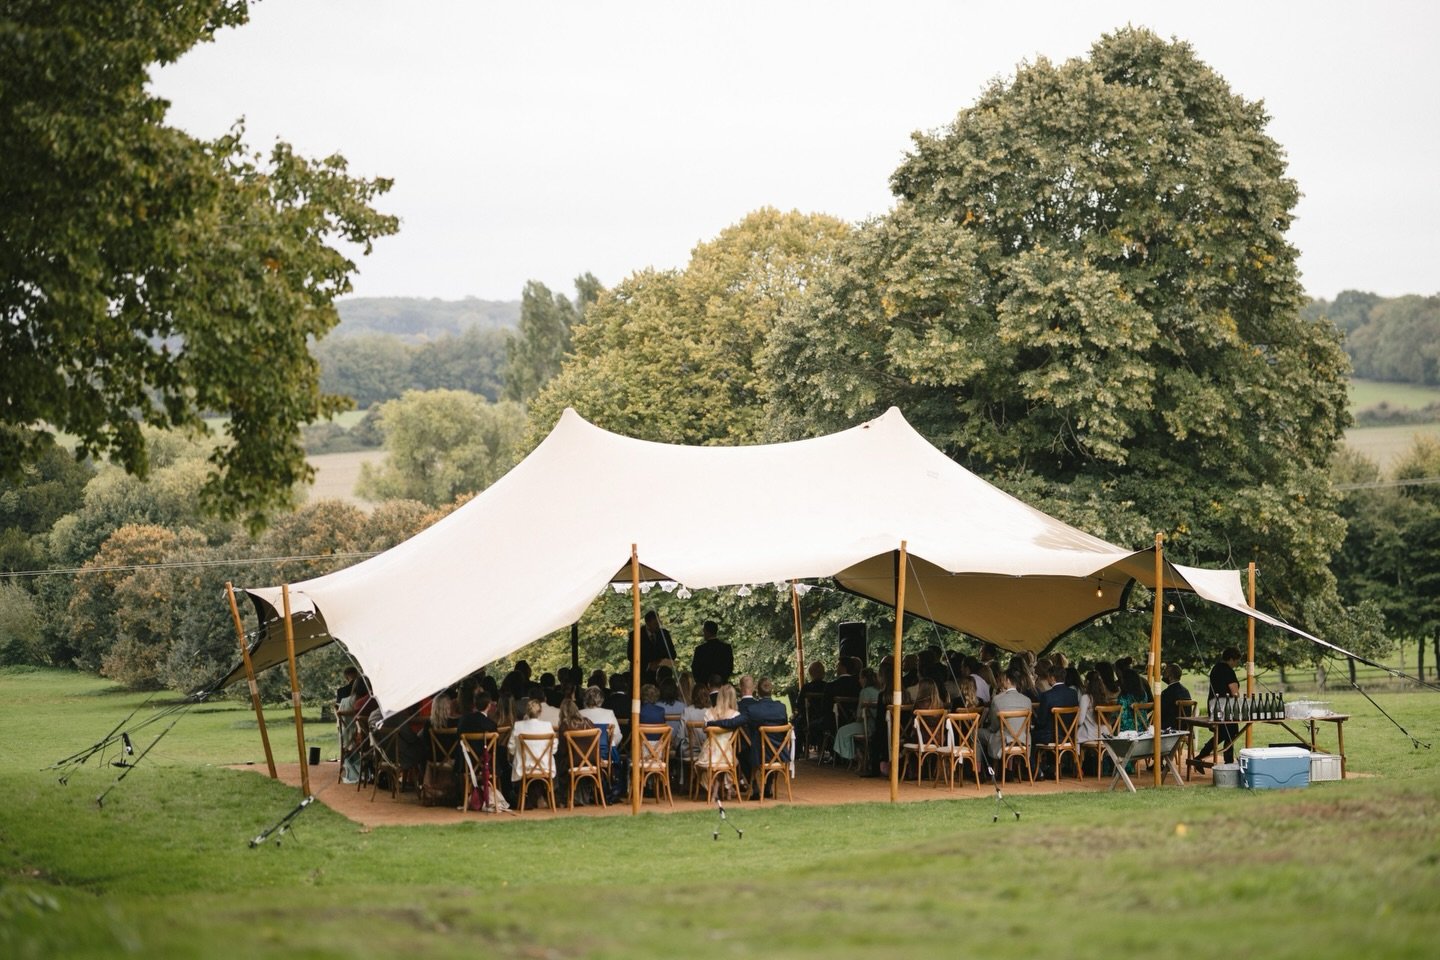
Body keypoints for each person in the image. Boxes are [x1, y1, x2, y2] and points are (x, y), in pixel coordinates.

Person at [1195, 646, 1242, 767]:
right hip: (1225, 708)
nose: (1236, 664)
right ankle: (1228, 761)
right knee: (1232, 732)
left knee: (1222, 734)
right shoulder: (1228, 671)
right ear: (1231, 659)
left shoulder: (1215, 668)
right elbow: (1234, 692)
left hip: (1213, 706)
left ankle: (1201, 757)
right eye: (1236, 661)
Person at [1033, 661, 1080, 777]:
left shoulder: (1047, 695)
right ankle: (1052, 767)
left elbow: (1042, 721)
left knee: (1029, 737)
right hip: (1069, 735)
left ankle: (1037, 771)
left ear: (1052, 678)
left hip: (1052, 736)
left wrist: (1034, 724)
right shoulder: (1073, 693)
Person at [981, 666, 1032, 771]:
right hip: (1023, 740)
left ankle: (978, 771)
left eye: (1003, 679)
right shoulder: (1027, 700)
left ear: (1008, 680)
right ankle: (1010, 770)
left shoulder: (997, 699)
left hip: (1004, 740)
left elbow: (994, 726)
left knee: (975, 734)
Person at [507, 698, 556, 806]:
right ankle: (541, 798)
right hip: (545, 766)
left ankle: (529, 800)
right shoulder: (547, 726)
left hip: (524, 767)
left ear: (527, 712)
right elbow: (554, 748)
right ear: (540, 712)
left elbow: (511, 748)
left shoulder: (518, 726)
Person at [834, 668, 879, 763]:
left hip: (868, 725)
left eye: (860, 678)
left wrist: (854, 717)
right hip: (878, 725)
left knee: (842, 731)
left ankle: (851, 756)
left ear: (865, 679)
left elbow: (860, 716)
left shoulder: (864, 692)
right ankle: (858, 754)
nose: (859, 680)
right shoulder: (878, 691)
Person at [690, 620, 734, 684]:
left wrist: (701, 683)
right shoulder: (726, 648)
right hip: (721, 685)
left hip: (705, 686)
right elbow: (729, 668)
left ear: (706, 631)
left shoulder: (700, 650)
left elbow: (695, 669)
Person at [1159, 662, 1191, 730]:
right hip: (1185, 728)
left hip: (1170, 729)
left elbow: (1160, 713)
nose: (1163, 674)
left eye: (1165, 673)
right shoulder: (1186, 691)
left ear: (1170, 677)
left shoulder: (1166, 693)